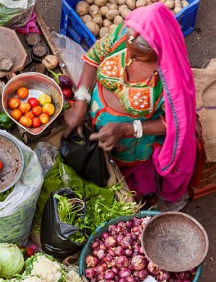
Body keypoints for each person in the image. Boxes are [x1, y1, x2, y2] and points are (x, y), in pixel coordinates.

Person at [62, 3, 196, 211]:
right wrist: (81, 102)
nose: (130, 59)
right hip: (93, 117)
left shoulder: (171, 82)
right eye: (129, 51)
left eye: (139, 57)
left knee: (124, 179)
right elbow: (93, 58)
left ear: (159, 54)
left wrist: (128, 129)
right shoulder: (125, 34)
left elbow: (176, 124)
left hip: (131, 143)